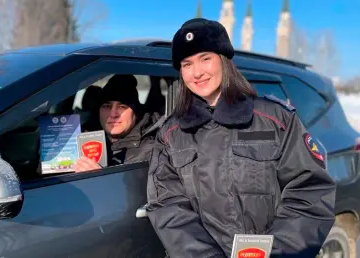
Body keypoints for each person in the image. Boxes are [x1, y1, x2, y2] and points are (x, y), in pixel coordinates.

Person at [145, 18, 336, 258]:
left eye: (205, 58)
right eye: (186, 64)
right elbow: (168, 205)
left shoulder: (275, 119)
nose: (197, 72)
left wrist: (271, 253)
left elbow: (310, 193)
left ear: (224, 61)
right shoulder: (171, 133)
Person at [73, 74, 161, 172]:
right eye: (107, 106)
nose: (113, 114)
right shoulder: (80, 142)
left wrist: (99, 178)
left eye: (122, 106)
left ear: (135, 113)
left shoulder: (152, 152)